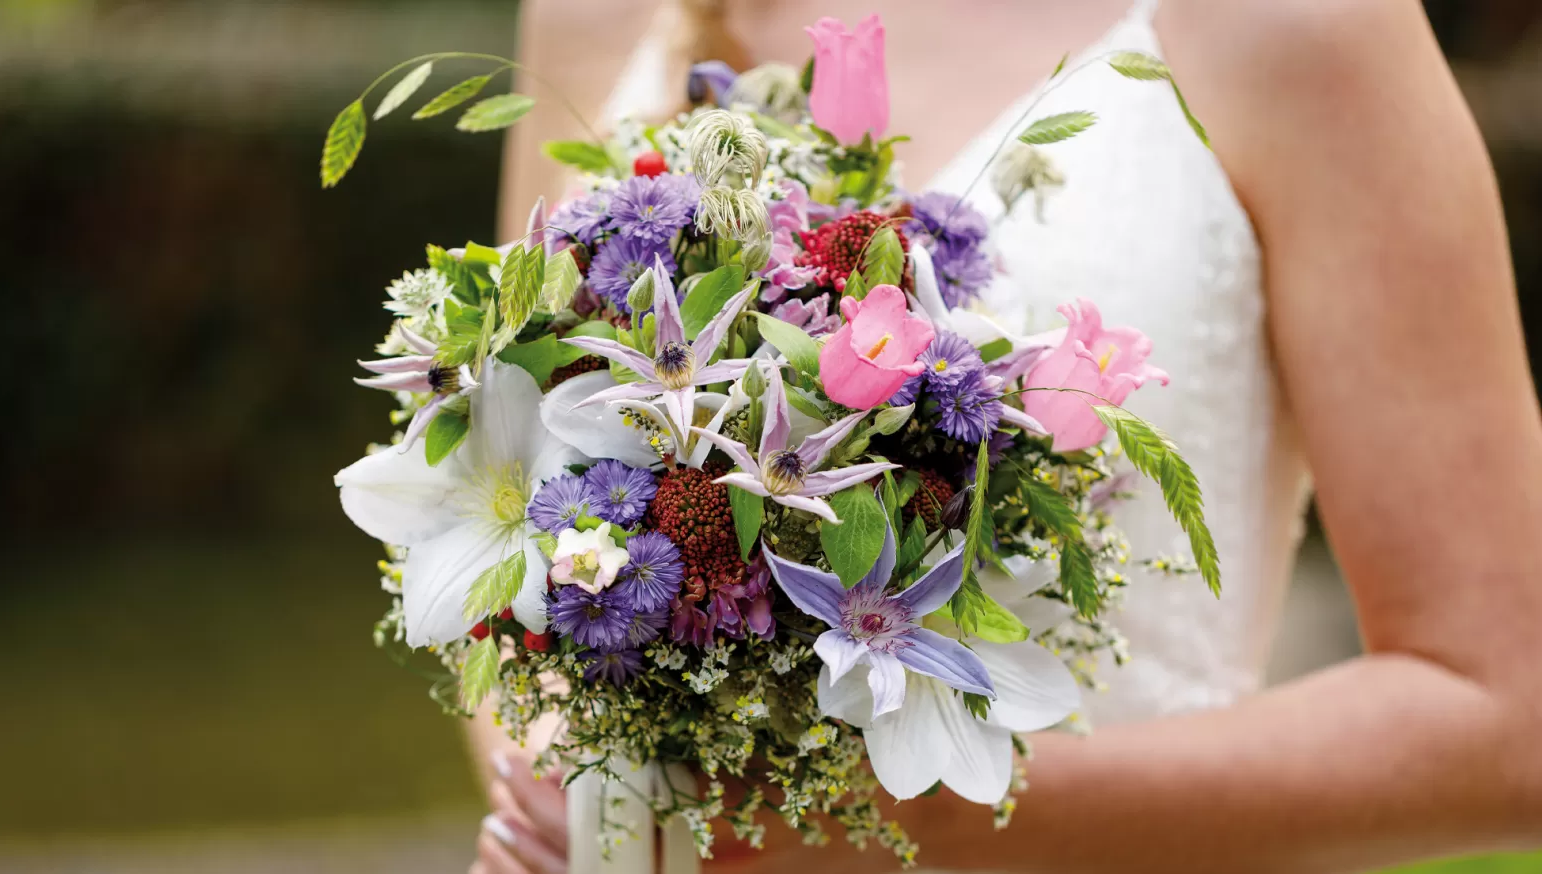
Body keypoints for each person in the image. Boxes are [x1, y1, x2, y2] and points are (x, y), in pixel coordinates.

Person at [470, 1, 1542, 871]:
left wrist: (896, 823)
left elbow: (1507, 719)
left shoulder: (1300, 26)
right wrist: (569, 781)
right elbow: (497, 502)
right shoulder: (598, 17)